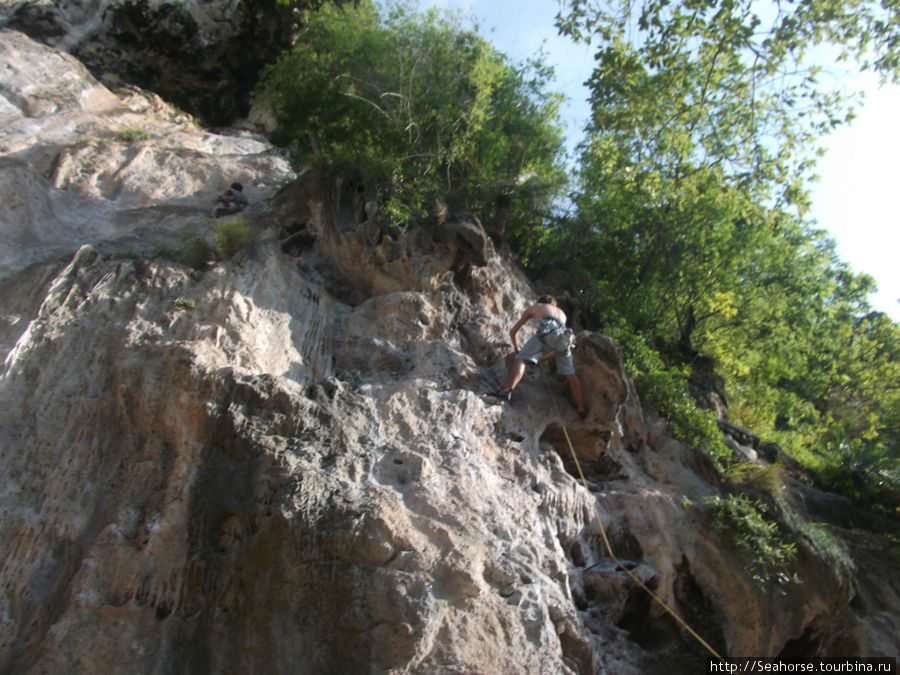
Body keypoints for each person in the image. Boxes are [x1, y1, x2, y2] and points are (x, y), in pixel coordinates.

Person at [492, 295, 587, 418]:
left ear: (540, 302)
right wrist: (542, 358)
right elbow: (556, 345)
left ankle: (506, 391)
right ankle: (581, 409)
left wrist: (517, 349)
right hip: (566, 336)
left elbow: (513, 331)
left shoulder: (537, 307)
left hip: (548, 330)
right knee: (571, 375)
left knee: (521, 360)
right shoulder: (562, 314)